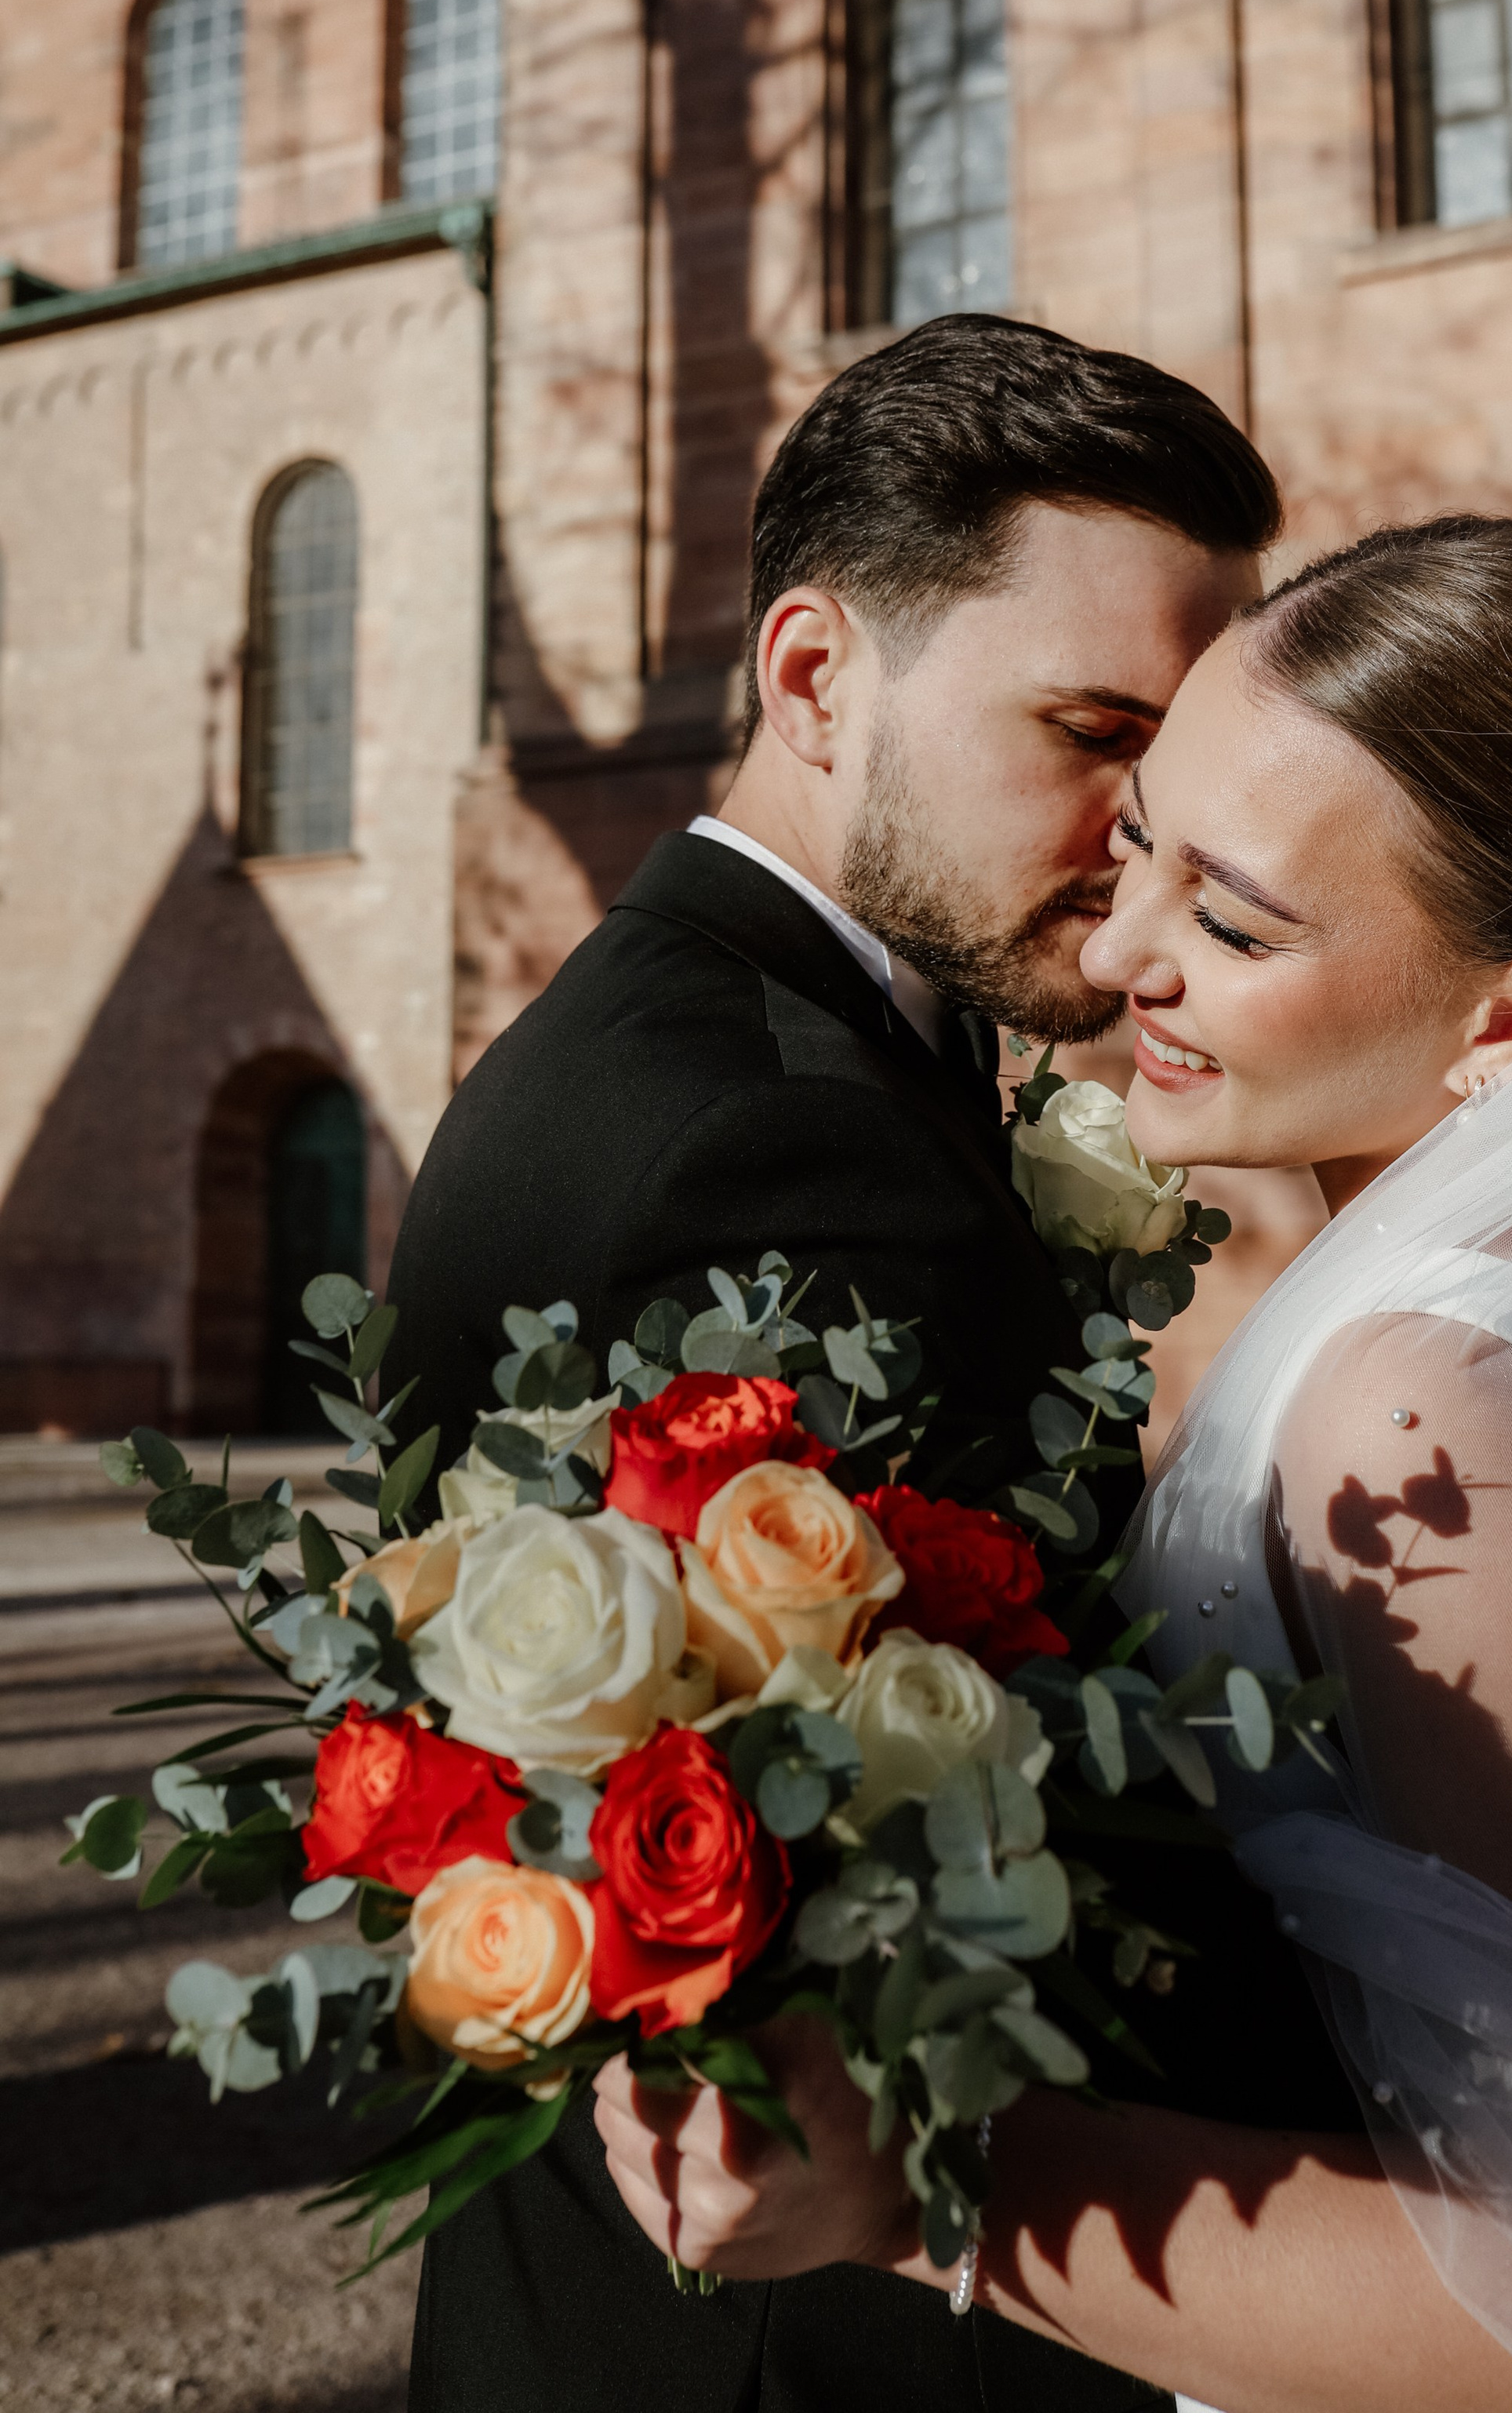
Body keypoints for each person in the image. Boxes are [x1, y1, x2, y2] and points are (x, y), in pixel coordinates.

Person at [595, 515, 1512, 2412]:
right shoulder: (1492, 1321)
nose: (1117, 952)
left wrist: (928, 2190)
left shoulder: (1428, 1413)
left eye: (1235, 924)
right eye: (1138, 848)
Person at [386, 309, 1282, 2413]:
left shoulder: (748, 1035)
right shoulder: (766, 1135)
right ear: (813, 677)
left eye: (1174, 772)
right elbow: (977, 1857)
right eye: (1092, 735)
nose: (1144, 843)